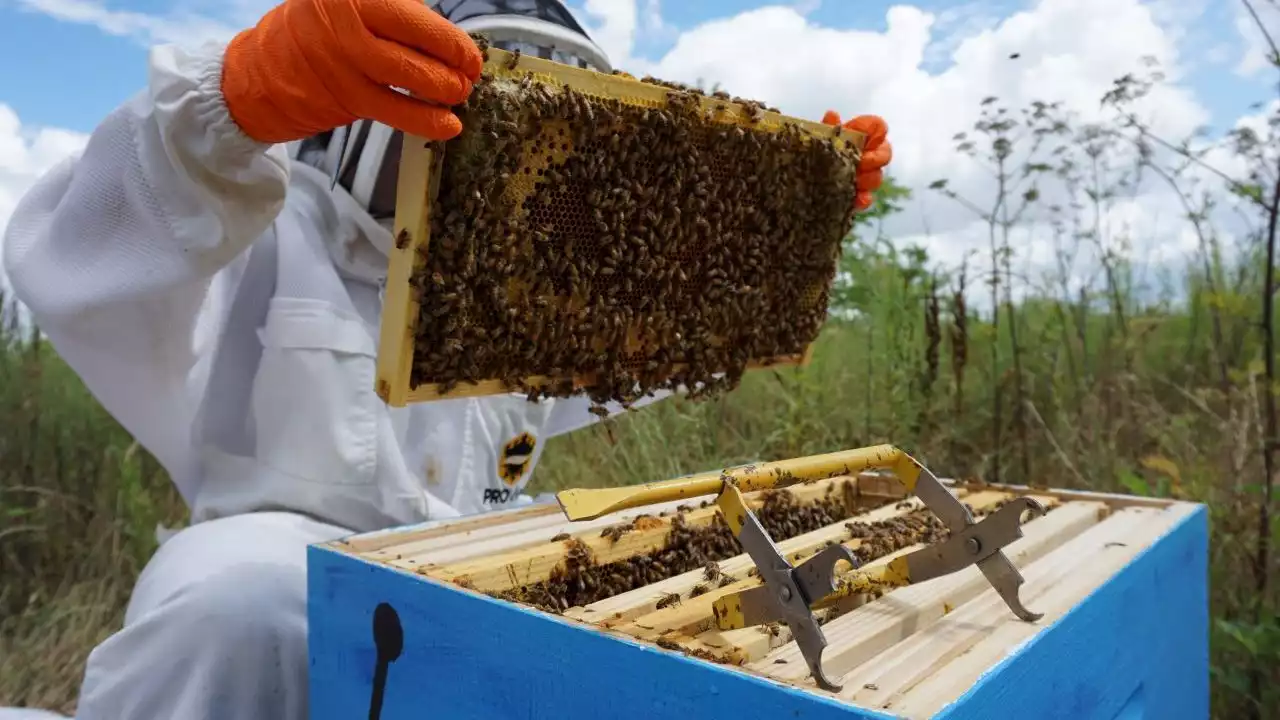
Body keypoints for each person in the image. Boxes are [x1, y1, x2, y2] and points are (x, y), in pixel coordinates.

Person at [0, 0, 893, 718]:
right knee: (240, 613)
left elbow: (655, 340)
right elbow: (76, 253)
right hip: (275, 552)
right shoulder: (268, 221)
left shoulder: (537, 291)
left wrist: (778, 234)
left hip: (478, 552)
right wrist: (231, 103)